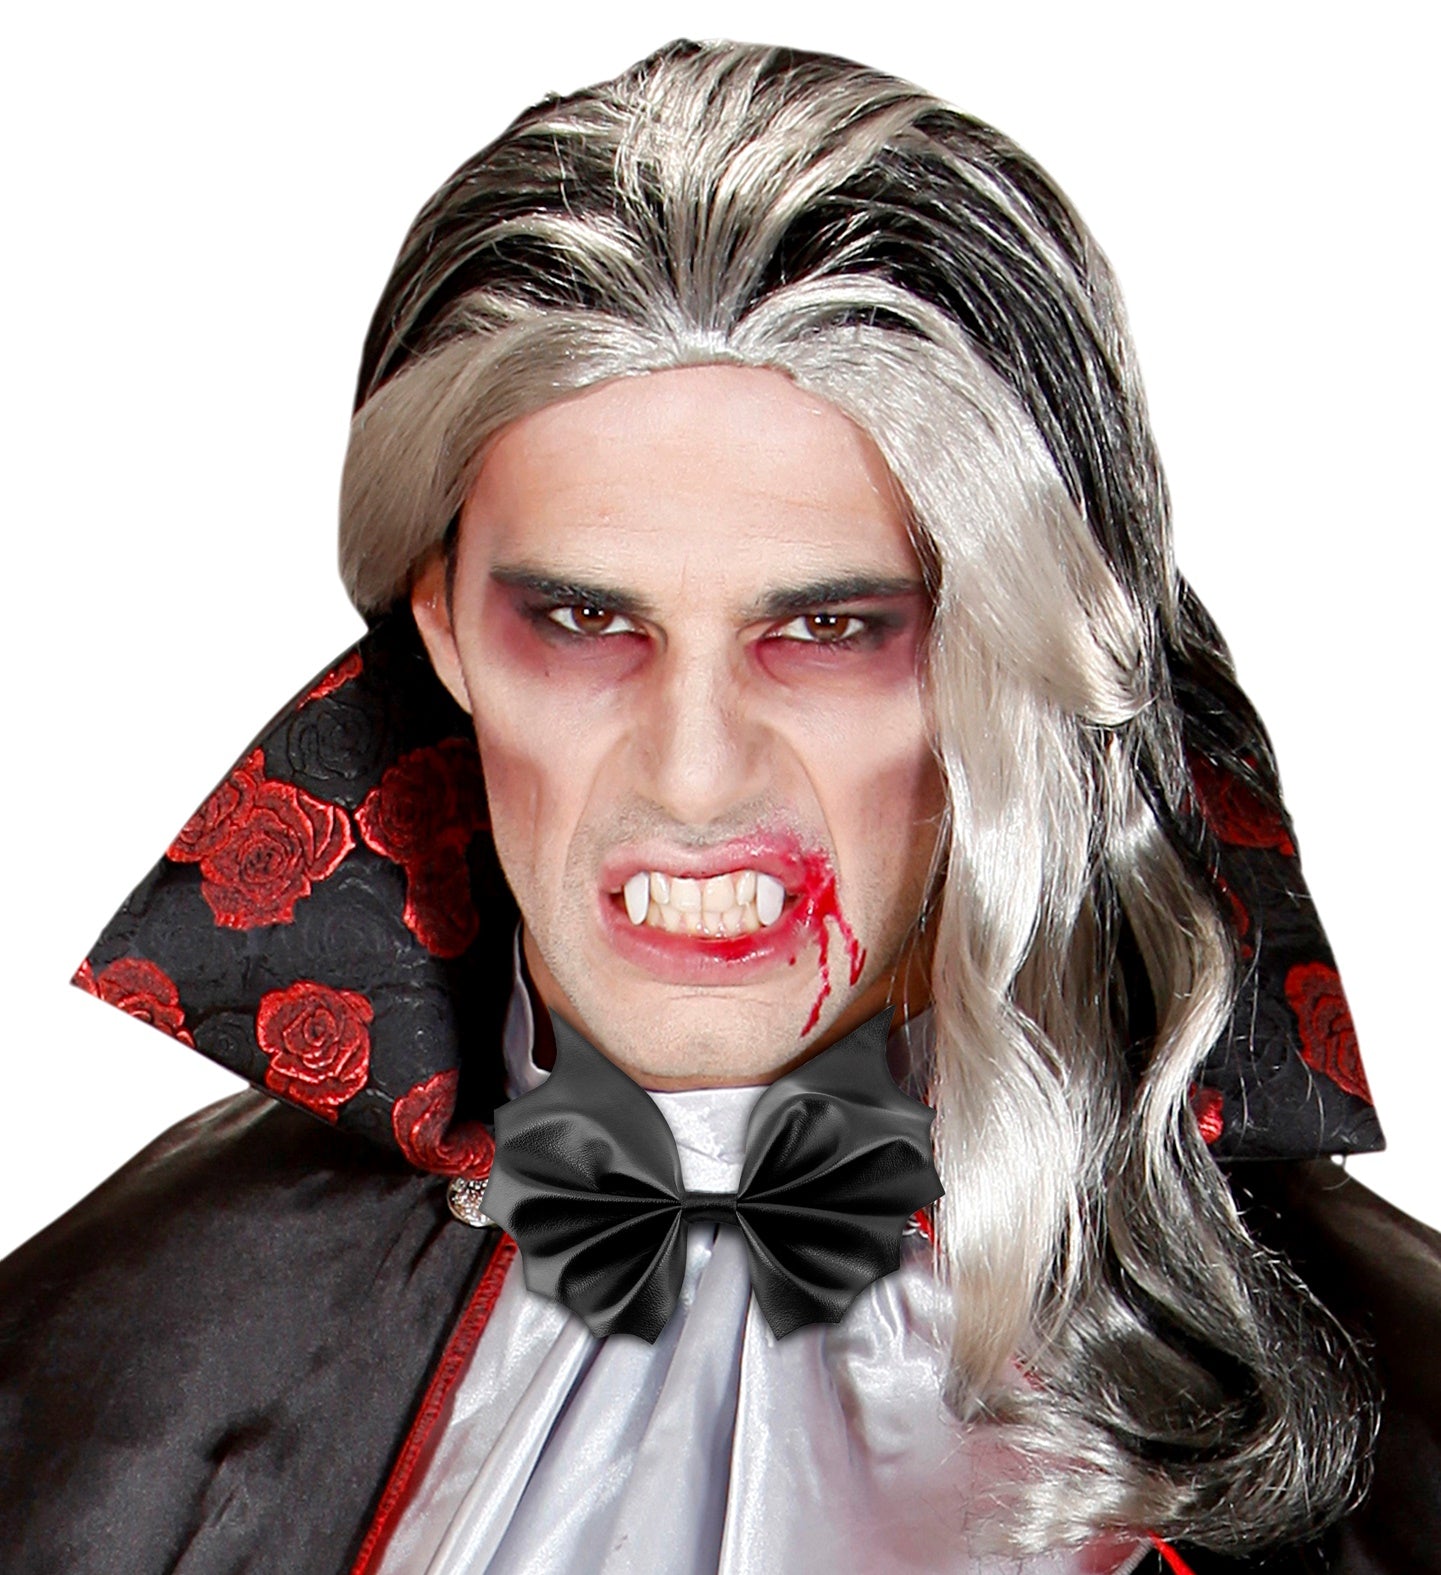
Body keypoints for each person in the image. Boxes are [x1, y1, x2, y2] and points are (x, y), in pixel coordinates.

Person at [1, 38, 1434, 1575]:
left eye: (829, 629)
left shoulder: (1403, 1420)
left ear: (1011, 664)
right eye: (581, 620)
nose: (691, 776)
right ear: (442, 625)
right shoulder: (114, 1366)